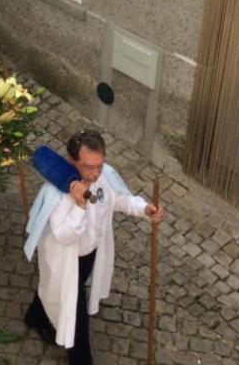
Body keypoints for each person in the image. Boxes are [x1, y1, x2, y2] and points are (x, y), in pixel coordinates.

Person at [23, 130, 164, 365]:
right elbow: (64, 235)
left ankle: (35, 316)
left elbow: (119, 199)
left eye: (100, 165)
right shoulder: (59, 193)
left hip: (90, 253)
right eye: (88, 167)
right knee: (74, 315)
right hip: (65, 260)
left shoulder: (104, 176)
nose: (95, 173)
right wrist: (79, 206)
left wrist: (144, 208)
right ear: (72, 161)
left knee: (55, 289)